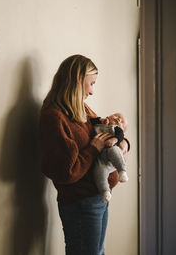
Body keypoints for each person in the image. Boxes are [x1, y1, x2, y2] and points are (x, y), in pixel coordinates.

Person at [39, 54, 129, 255]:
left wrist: (122, 141)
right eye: (90, 84)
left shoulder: (82, 109)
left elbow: (107, 135)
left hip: (98, 196)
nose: (92, 91)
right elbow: (67, 172)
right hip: (80, 201)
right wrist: (94, 149)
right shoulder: (54, 117)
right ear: (76, 81)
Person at [91, 113, 130, 203]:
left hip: (110, 150)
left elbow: (120, 136)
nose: (118, 119)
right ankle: (105, 191)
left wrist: (115, 140)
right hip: (100, 157)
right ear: (108, 116)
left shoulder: (117, 130)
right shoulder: (100, 124)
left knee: (114, 151)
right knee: (99, 172)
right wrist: (100, 120)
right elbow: (90, 121)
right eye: (116, 116)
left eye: (122, 121)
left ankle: (122, 171)